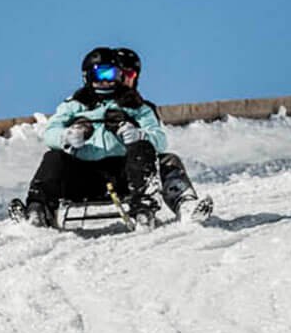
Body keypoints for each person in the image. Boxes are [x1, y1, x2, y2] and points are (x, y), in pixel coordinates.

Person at [21, 47, 213, 228]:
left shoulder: (136, 106)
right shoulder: (74, 105)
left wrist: (140, 135)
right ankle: (38, 208)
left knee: (163, 157)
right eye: (100, 74)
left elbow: (160, 140)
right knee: (53, 157)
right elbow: (50, 132)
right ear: (88, 75)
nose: (106, 81)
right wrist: (67, 137)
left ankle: (177, 204)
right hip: (83, 175)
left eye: (112, 74)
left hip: (125, 174)